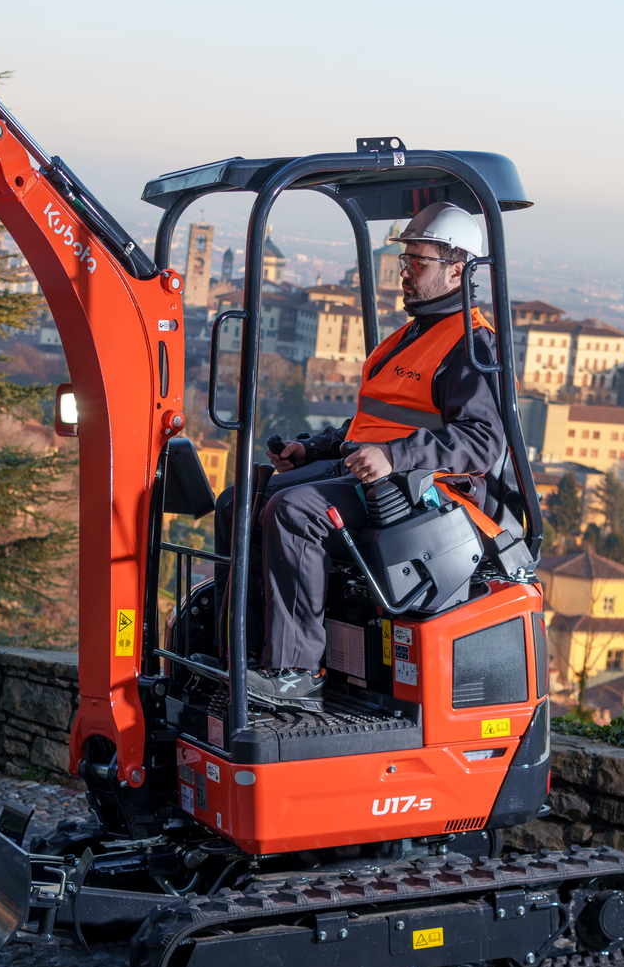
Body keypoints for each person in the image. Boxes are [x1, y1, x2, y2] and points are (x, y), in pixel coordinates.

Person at [214, 201, 508, 712]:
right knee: (239, 500)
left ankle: (295, 672)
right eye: (404, 262)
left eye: (418, 263)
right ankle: (237, 651)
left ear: (459, 269)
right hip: (371, 474)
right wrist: (313, 447)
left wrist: (394, 457)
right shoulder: (404, 339)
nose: (405, 273)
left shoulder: (472, 345)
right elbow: (368, 425)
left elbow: (483, 442)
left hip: (427, 494)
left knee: (295, 510)